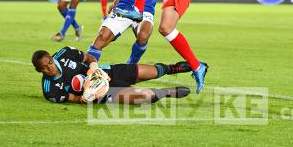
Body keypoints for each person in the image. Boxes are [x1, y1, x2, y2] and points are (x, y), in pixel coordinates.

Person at [32, 47, 192, 104]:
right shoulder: (50, 91)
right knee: (142, 96)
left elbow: (89, 58)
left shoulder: (65, 53)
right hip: (99, 94)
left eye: (50, 63)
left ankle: (174, 68)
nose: (50, 68)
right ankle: (167, 92)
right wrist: (85, 97)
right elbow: (73, 99)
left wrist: (93, 67)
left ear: (52, 59)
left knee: (152, 71)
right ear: (39, 71)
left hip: (107, 73)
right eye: (45, 68)